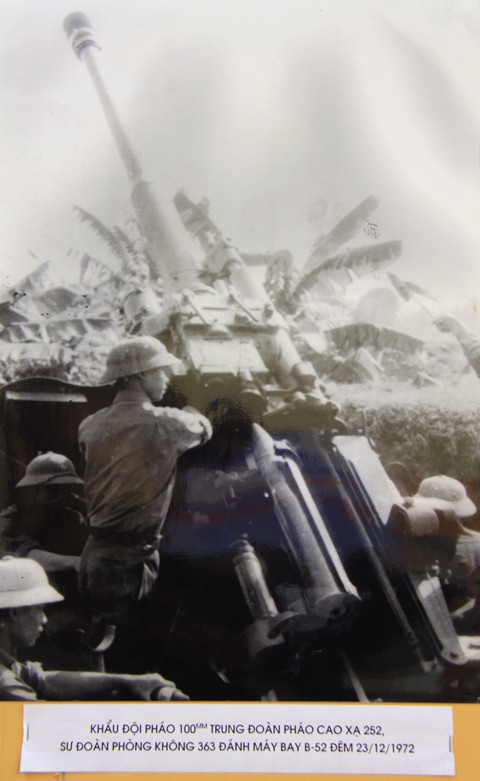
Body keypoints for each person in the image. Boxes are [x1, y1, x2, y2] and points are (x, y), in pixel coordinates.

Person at [78, 336, 213, 621]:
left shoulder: (89, 425)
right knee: (127, 636)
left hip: (94, 557)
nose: (166, 378)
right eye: (160, 370)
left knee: (100, 630)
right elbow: (203, 429)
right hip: (129, 564)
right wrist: (192, 411)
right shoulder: (167, 423)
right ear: (139, 374)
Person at [0, 556, 187, 701]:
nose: (44, 619)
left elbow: (42, 680)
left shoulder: (8, 666)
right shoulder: (6, 685)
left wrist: (131, 682)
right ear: (14, 612)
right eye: (39, 609)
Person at [0, 451, 86, 573]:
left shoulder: (73, 518)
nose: (62, 496)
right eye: (53, 490)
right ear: (32, 490)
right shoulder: (8, 521)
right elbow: (30, 557)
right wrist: (74, 562)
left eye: (66, 488)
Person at [434, 314, 480, 379]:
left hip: (475, 355)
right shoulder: (461, 335)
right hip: (474, 355)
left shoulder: (460, 333)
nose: (439, 330)